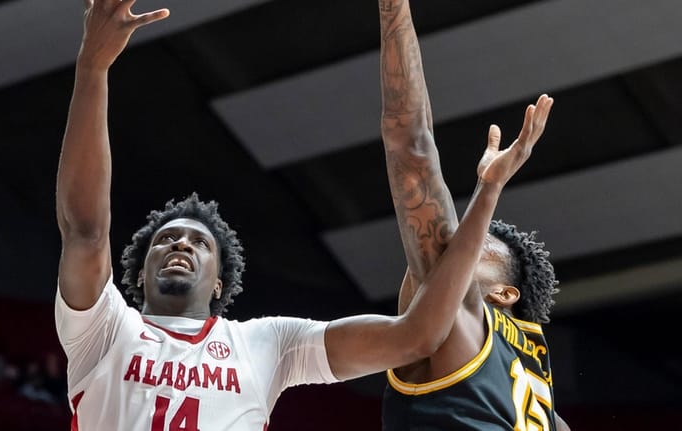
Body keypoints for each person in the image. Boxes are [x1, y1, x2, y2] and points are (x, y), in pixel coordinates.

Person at [54, 0, 548, 429]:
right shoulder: (104, 329)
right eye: (166, 239)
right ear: (139, 270)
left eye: (199, 243)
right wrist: (92, 71)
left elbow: (416, 336)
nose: (180, 244)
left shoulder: (269, 343)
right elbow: (86, 230)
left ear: (221, 284)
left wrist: (486, 192)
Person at [377, 0, 570, 429]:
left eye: (473, 248)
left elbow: (411, 145)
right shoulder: (546, 408)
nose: (451, 247)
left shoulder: (462, 325)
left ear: (503, 294)